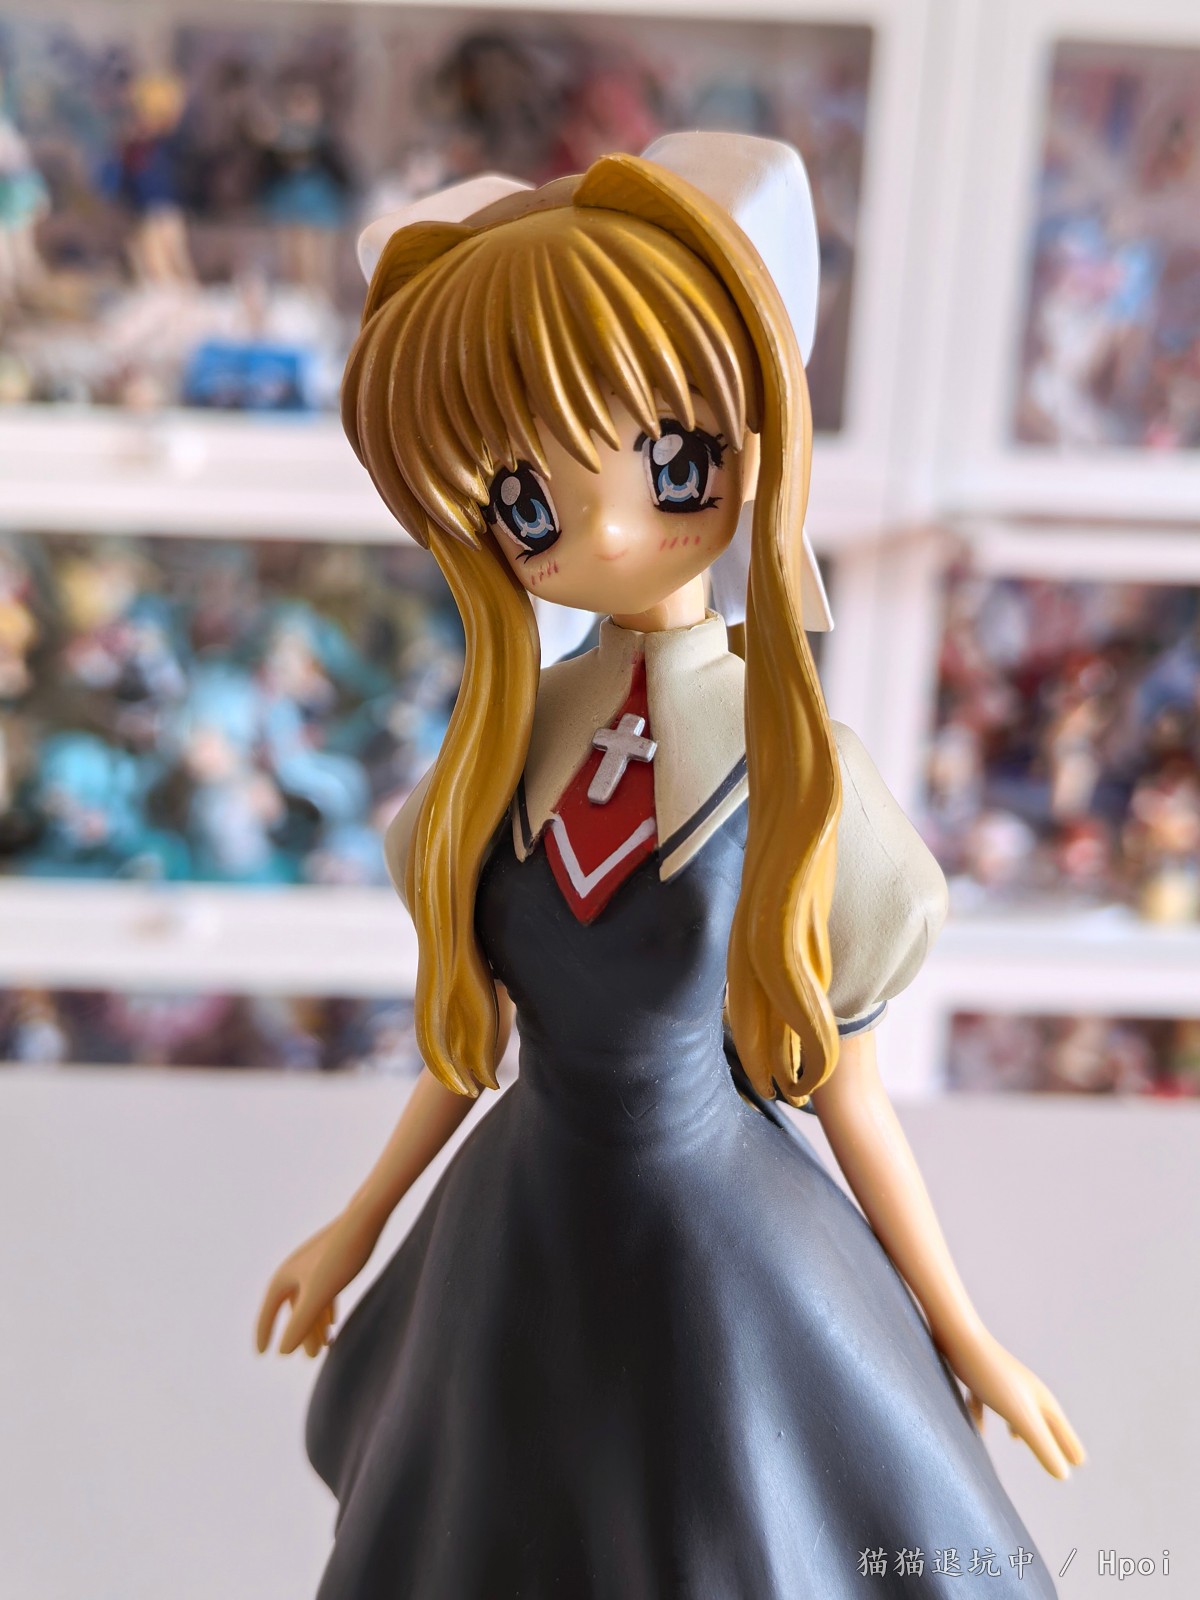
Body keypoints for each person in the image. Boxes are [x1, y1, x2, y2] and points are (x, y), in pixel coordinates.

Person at [257, 134, 1084, 1598]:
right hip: (520, 1240)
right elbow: (470, 1047)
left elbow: (846, 1089)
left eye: (669, 463)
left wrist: (962, 1331)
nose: (605, 531)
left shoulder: (791, 766)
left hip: (721, 1258)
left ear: (745, 448)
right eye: (528, 503)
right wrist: (356, 1224)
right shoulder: (507, 747)